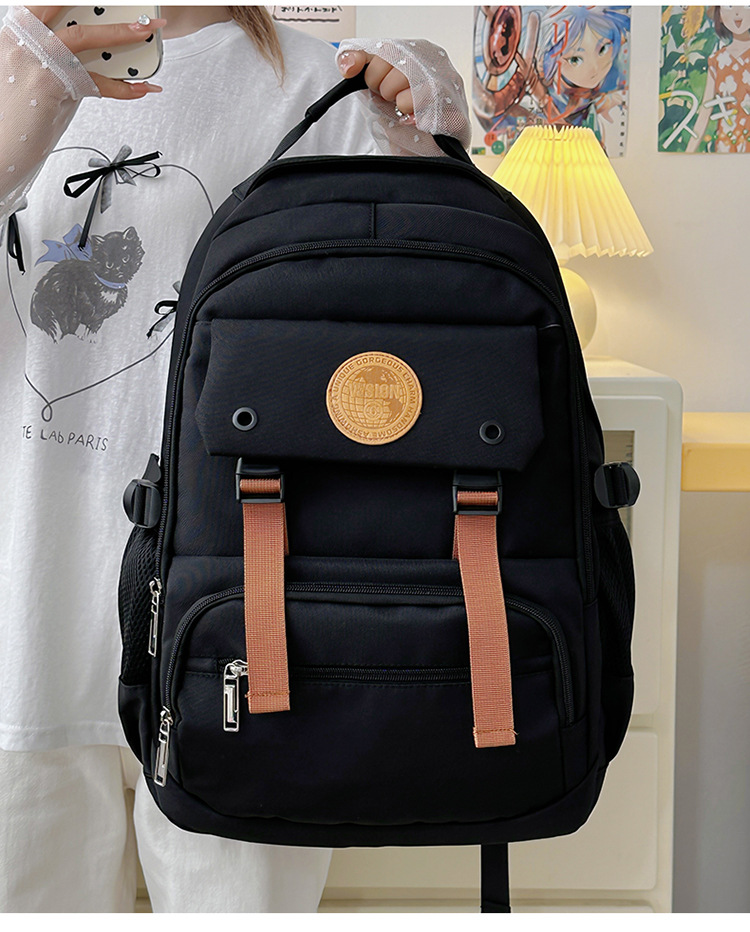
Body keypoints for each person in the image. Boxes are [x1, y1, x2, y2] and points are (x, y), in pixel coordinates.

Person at [0, 5, 470, 912]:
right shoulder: (12, 56)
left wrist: (434, 160)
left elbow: (415, 355)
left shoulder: (328, 88)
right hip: (24, 629)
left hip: (249, 646)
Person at [685, 5, 750, 153]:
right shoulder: (717, 60)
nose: (737, 13)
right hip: (726, 140)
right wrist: (688, 154)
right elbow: (705, 111)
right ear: (719, 15)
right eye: (729, 6)